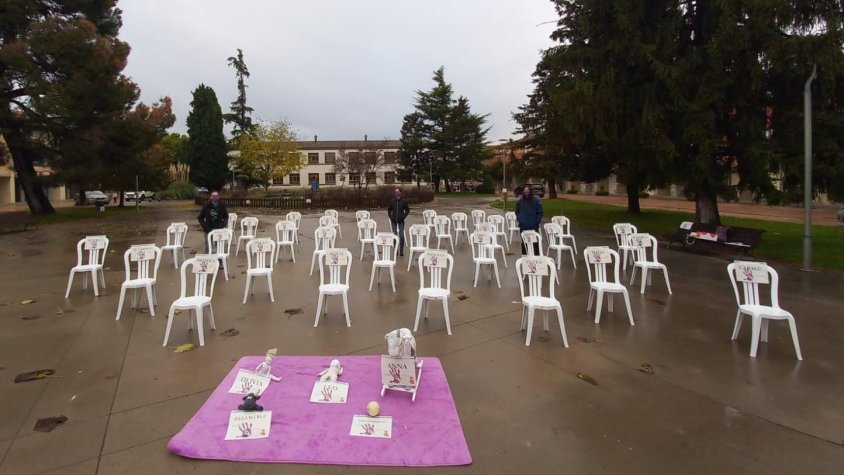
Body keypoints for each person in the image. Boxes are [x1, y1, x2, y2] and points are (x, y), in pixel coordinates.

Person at [515, 185, 543, 255]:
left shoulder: (536, 201)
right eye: (525, 190)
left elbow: (540, 212)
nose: (526, 192)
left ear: (530, 191)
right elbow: (517, 212)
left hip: (533, 226)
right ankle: (525, 258)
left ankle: (536, 257)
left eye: (527, 190)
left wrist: (537, 221)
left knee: (535, 243)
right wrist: (520, 219)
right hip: (523, 226)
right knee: (524, 243)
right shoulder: (520, 202)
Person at [387, 188, 410, 256]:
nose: (397, 193)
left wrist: (403, 216)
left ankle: (401, 251)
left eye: (398, 192)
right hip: (394, 221)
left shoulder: (403, 201)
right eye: (395, 192)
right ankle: (396, 250)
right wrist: (391, 217)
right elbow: (389, 210)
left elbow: (407, 210)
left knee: (401, 235)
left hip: (401, 221)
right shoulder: (392, 201)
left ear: (400, 193)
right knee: (394, 235)